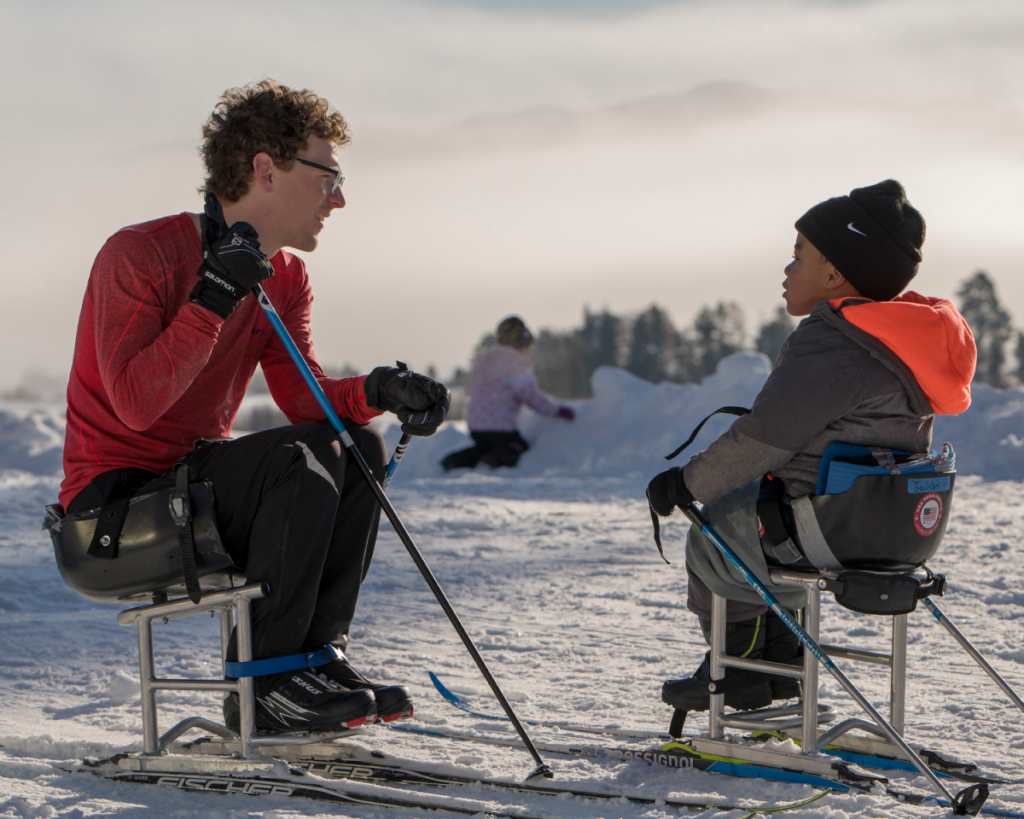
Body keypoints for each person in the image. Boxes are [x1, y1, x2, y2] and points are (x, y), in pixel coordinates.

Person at [57, 80, 450, 735]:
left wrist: (377, 392)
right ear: (266, 169)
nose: (340, 197)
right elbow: (134, 405)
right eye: (329, 175)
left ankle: (316, 660)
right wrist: (212, 296)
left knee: (358, 445)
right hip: (110, 513)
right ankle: (264, 685)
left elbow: (302, 397)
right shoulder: (141, 254)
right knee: (296, 457)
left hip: (192, 490)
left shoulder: (285, 277)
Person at [646, 180, 976, 715]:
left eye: (797, 256)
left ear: (833, 274)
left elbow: (763, 440)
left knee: (716, 535)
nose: (786, 270)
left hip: (828, 528)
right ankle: (782, 670)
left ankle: (739, 668)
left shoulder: (834, 341)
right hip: (900, 528)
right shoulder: (906, 341)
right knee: (767, 526)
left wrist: (685, 484)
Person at [441, 316, 575, 471]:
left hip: (476, 424)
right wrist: (556, 409)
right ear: (522, 343)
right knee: (517, 446)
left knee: (483, 448)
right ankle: (494, 462)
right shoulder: (515, 363)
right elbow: (530, 395)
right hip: (500, 425)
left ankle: (453, 462)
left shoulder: (485, 359)